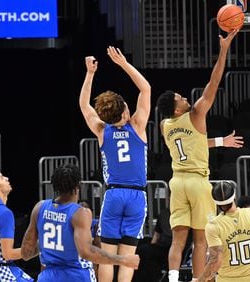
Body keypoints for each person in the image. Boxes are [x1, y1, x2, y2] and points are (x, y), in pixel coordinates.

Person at [156, 29, 240, 282]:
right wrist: (224, 50)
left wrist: (219, 141)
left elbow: (192, 143)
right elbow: (213, 83)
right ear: (176, 107)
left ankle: (172, 279)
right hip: (197, 181)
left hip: (177, 182)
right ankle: (198, 281)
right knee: (201, 239)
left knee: (178, 239)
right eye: (181, 98)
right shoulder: (195, 114)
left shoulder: (165, 125)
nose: (185, 98)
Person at [79, 46, 150, 282]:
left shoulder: (102, 130)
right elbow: (145, 88)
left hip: (113, 194)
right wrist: (122, 64)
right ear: (126, 111)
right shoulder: (138, 125)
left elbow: (84, 106)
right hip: (136, 196)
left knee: (108, 256)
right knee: (127, 257)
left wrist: (89, 74)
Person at [20, 164, 140, 282]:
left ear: (54, 186)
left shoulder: (39, 207)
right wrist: (122, 260)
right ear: (78, 186)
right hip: (76, 275)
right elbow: (87, 252)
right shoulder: (80, 213)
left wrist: (48, 244)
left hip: (48, 276)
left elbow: (26, 253)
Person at [198, 181, 250, 282]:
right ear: (234, 195)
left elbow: (216, 262)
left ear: (215, 201)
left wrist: (200, 280)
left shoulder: (213, 226)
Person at [132, 208, 172, 282]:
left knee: (144, 251)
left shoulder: (180, 214)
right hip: (160, 245)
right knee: (140, 245)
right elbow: (156, 234)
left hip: (170, 246)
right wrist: (151, 246)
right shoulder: (164, 213)